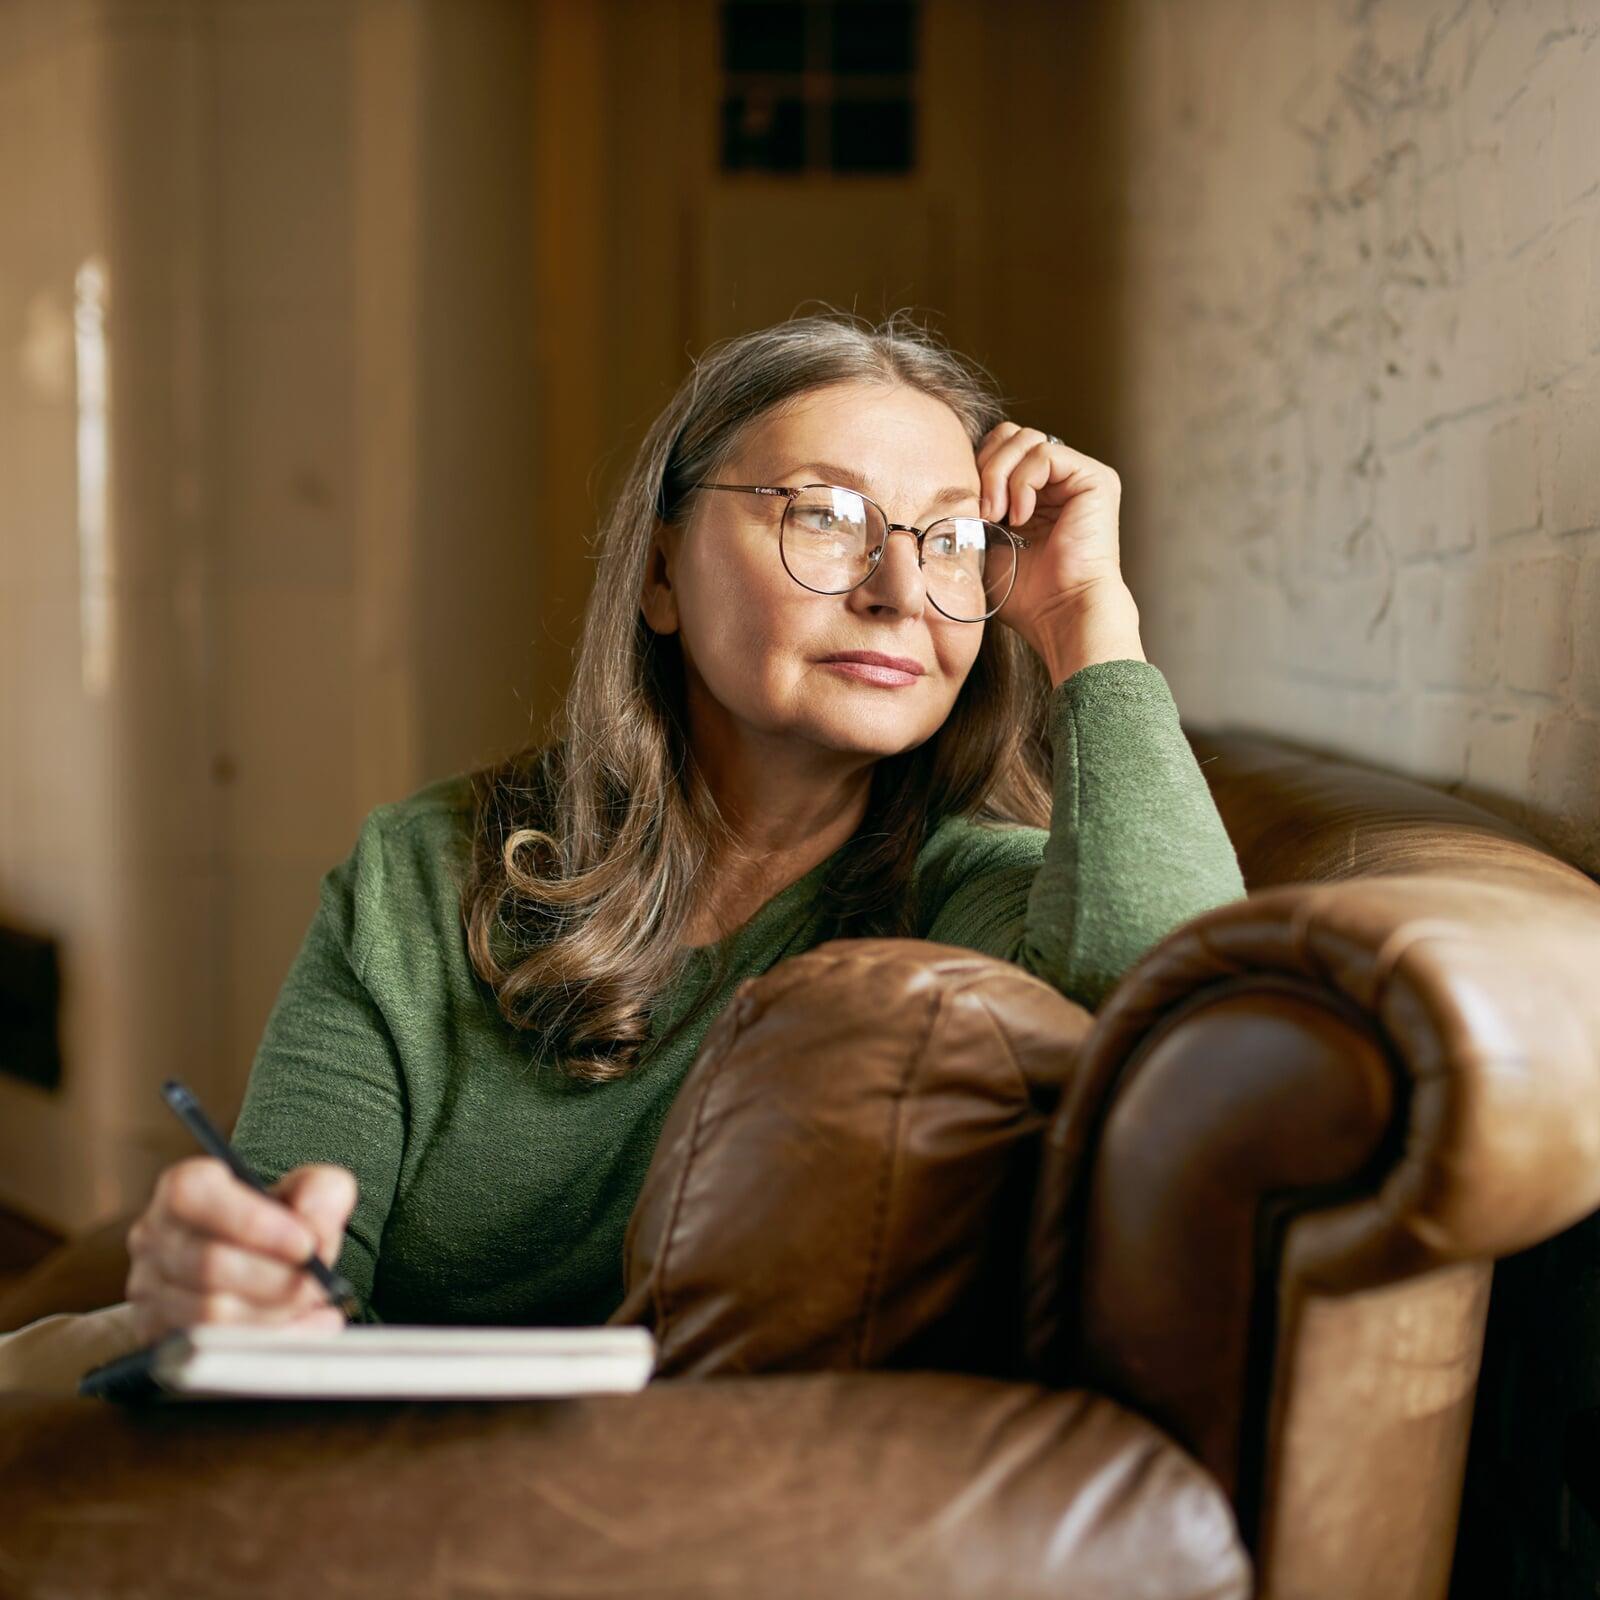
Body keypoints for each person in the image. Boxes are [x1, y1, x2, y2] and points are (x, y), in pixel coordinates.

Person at [114, 308, 1247, 1346]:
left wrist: (1090, 614)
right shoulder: (423, 870)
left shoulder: (976, 891)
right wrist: (236, 1277)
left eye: (951, 540)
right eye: (826, 516)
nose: (901, 588)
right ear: (660, 568)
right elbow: (293, 1264)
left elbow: (1192, 1035)